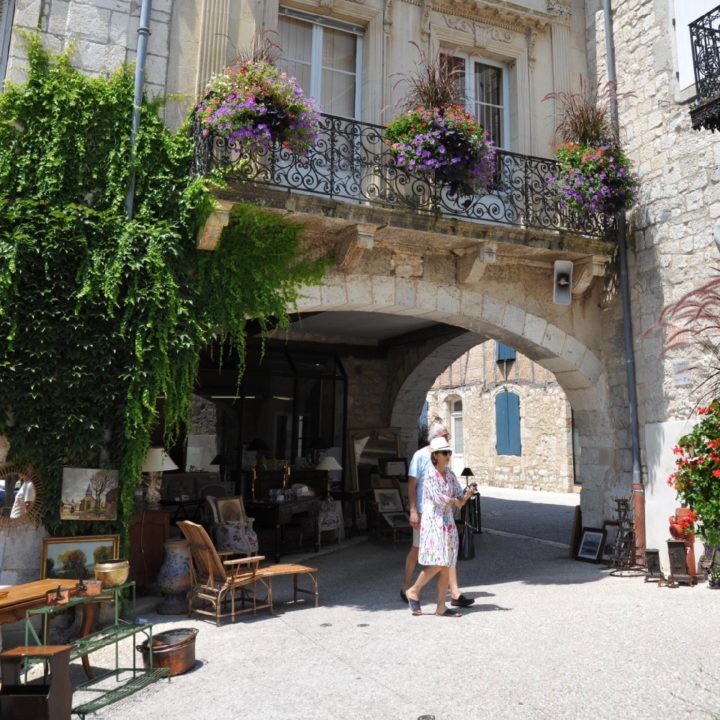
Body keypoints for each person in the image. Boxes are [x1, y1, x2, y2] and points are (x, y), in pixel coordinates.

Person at [401, 422, 474, 608]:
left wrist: (464, 496)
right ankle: (407, 588)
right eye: (444, 436)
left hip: (445, 519)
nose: (448, 441)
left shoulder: (448, 471)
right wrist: (413, 511)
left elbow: (456, 494)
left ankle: (453, 594)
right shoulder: (420, 457)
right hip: (426, 513)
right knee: (419, 551)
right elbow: (413, 485)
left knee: (446, 557)